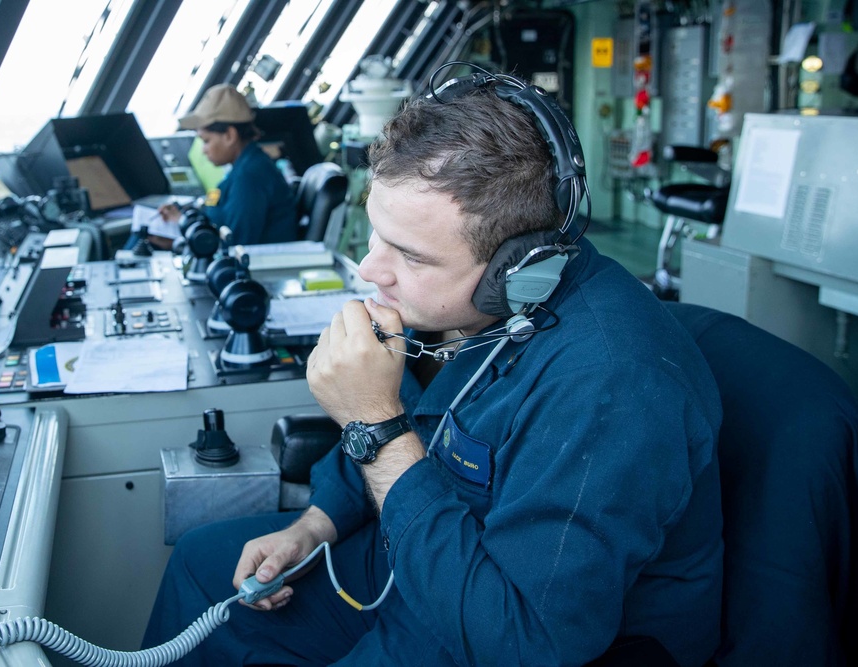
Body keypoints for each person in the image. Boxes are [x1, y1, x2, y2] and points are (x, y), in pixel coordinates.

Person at [143, 69, 724, 666]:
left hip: (490, 621)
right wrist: (316, 524)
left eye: (410, 256)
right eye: (377, 234)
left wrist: (374, 422)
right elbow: (432, 427)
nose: (371, 269)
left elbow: (527, 642)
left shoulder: (613, 387)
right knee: (200, 563)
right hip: (422, 553)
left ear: (518, 265)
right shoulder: (501, 309)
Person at [160, 83, 297, 248]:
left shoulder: (249, 177)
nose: (204, 150)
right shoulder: (243, 168)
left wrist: (180, 228)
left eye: (206, 141)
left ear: (230, 136)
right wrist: (186, 214)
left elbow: (235, 244)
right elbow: (215, 205)